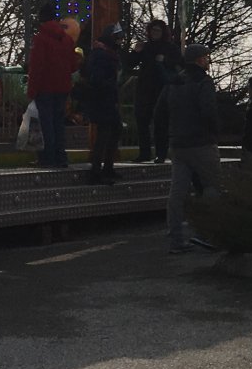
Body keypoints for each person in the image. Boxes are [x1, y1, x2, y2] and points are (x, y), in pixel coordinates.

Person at [162, 43, 223, 256]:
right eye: (206, 57)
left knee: (177, 192)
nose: (208, 60)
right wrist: (215, 131)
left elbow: (161, 111)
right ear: (200, 59)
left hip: (178, 143)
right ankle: (208, 233)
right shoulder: (204, 81)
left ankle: (176, 238)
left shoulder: (174, 81)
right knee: (212, 186)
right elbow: (208, 111)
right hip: (202, 142)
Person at [26, 4, 82, 168]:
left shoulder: (40, 39)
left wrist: (31, 90)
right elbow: (73, 66)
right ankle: (60, 157)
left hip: (44, 88)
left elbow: (36, 67)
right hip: (62, 88)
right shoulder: (67, 40)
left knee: (45, 124)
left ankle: (47, 158)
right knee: (58, 123)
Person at [124, 18, 180, 162]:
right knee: (142, 121)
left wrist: (165, 61)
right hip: (144, 88)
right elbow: (129, 63)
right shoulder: (145, 47)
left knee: (161, 123)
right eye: (153, 30)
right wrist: (135, 52)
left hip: (162, 88)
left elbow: (179, 63)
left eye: (158, 30)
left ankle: (161, 154)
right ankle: (144, 153)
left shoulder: (170, 48)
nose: (155, 33)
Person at [82, 23, 125, 185]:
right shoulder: (102, 54)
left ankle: (106, 167)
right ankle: (97, 170)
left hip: (106, 99)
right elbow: (97, 79)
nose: (120, 41)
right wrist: (110, 85)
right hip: (102, 99)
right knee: (105, 133)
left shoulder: (107, 53)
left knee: (112, 131)